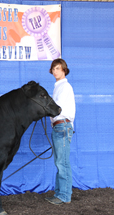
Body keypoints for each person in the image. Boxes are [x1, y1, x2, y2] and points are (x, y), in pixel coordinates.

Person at [45, 59, 76, 205]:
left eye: (58, 68)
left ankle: (64, 195)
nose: (55, 71)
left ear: (64, 69)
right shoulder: (58, 87)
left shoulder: (65, 87)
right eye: (54, 69)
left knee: (62, 162)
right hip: (59, 126)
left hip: (62, 126)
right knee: (60, 162)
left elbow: (58, 109)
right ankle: (59, 193)